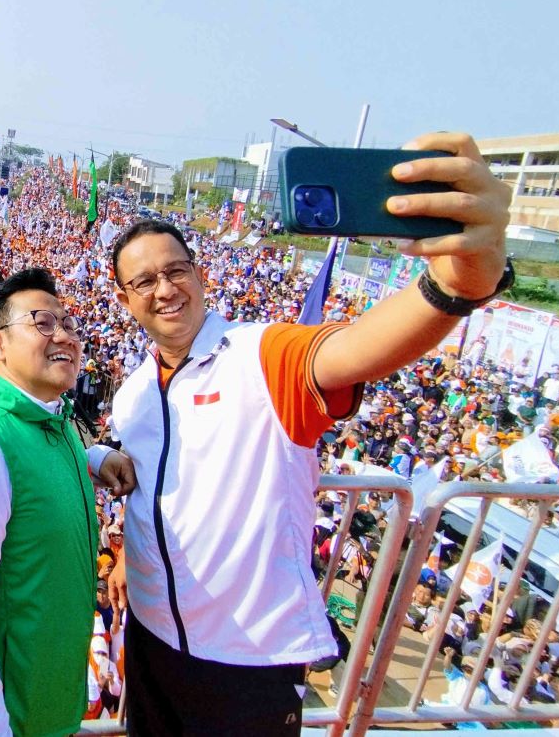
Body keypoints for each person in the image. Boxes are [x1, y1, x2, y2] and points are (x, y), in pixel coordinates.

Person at [103, 133, 512, 735]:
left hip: (248, 659)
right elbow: (157, 495)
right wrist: (130, 559)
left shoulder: (264, 354)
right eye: (144, 282)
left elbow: (353, 350)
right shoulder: (133, 393)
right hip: (149, 635)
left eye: (175, 270)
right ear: (124, 298)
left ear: (200, 274)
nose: (164, 290)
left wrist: (458, 284)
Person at [0, 267, 136, 737]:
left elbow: (35, 470)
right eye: (43, 322)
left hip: (53, 706)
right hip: (10, 718)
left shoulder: (55, 423)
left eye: (68, 323)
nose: (63, 334)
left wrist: (93, 457)